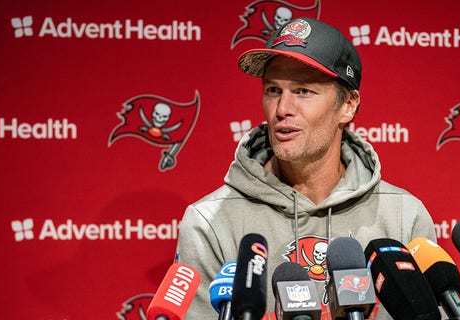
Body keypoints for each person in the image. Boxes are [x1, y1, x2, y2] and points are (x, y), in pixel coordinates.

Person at [176, 17, 436, 319]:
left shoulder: (404, 216)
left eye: (303, 91)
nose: (283, 109)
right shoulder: (210, 221)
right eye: (273, 90)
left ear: (348, 105)